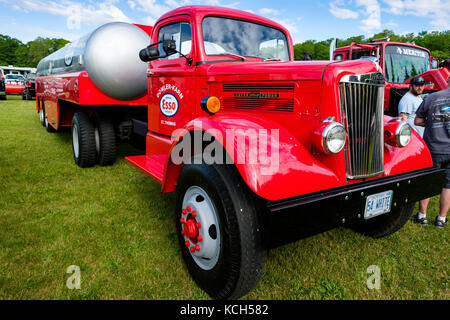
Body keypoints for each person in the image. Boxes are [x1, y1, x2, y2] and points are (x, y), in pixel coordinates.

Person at [413, 76, 450, 228]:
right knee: (447, 186)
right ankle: (441, 219)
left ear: (447, 81)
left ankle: (422, 216)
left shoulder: (432, 97)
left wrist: (432, 122)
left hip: (433, 149)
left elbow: (417, 121)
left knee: (428, 182)